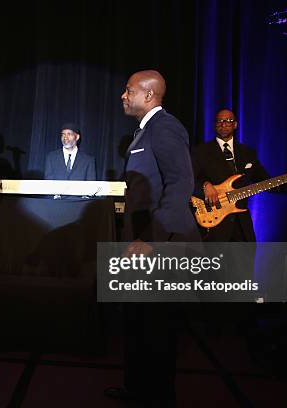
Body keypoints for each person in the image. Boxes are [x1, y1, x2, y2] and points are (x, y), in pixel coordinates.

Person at [104, 70, 199, 406]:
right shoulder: (144, 132)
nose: (123, 96)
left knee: (157, 330)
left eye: (128, 91)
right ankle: (136, 389)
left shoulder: (166, 127)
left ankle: (157, 398)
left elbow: (180, 184)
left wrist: (152, 240)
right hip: (141, 245)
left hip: (161, 246)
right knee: (138, 322)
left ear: (148, 95)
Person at [191, 108, 287, 242]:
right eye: (219, 121)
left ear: (235, 125)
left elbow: (268, 183)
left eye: (228, 120)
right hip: (214, 227)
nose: (223, 124)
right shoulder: (201, 151)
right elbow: (186, 180)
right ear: (215, 125)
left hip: (242, 229)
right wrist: (204, 185)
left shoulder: (247, 153)